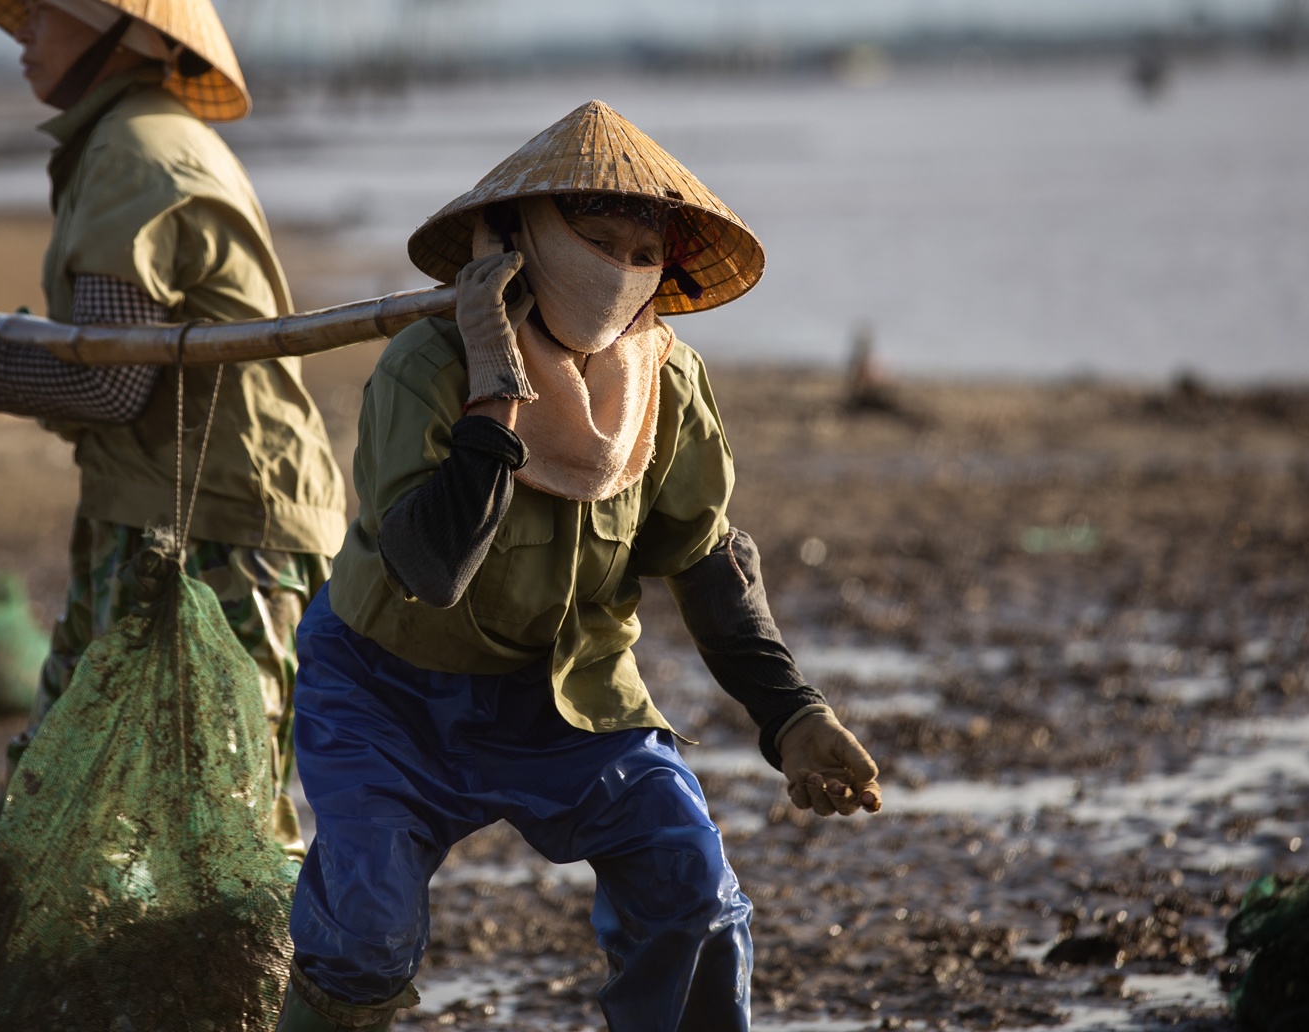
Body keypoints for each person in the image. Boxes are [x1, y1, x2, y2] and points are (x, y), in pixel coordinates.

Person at [276, 101, 884, 1032]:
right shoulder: (425, 366)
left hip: (565, 696)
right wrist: (494, 382)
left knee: (693, 893)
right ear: (514, 242)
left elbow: (707, 561)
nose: (620, 274)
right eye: (596, 242)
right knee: (364, 934)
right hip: (386, 696)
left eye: (645, 258)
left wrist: (792, 714)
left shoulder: (663, 385)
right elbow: (433, 564)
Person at [0, 0, 345, 851]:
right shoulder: (124, 143)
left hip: (221, 524)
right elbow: (117, 359)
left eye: (43, 18)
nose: (21, 42)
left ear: (125, 34)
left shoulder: (135, 155)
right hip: (168, 505)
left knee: (212, 822)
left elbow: (111, 387)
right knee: (87, 797)